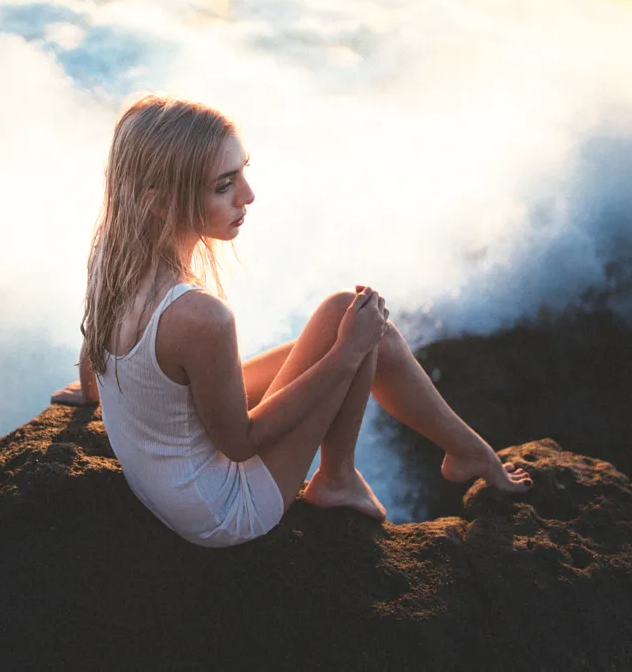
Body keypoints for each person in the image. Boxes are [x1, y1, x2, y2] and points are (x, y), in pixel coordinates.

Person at [51, 93, 532, 547]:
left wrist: (92, 391)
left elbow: (92, 345)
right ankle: (345, 474)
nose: (249, 195)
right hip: (222, 510)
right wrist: (345, 355)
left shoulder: (114, 259)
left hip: (171, 478)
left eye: (242, 172)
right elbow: (240, 443)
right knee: (361, 333)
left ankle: (447, 454)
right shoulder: (199, 316)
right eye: (224, 185)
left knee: (348, 312)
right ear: (158, 201)